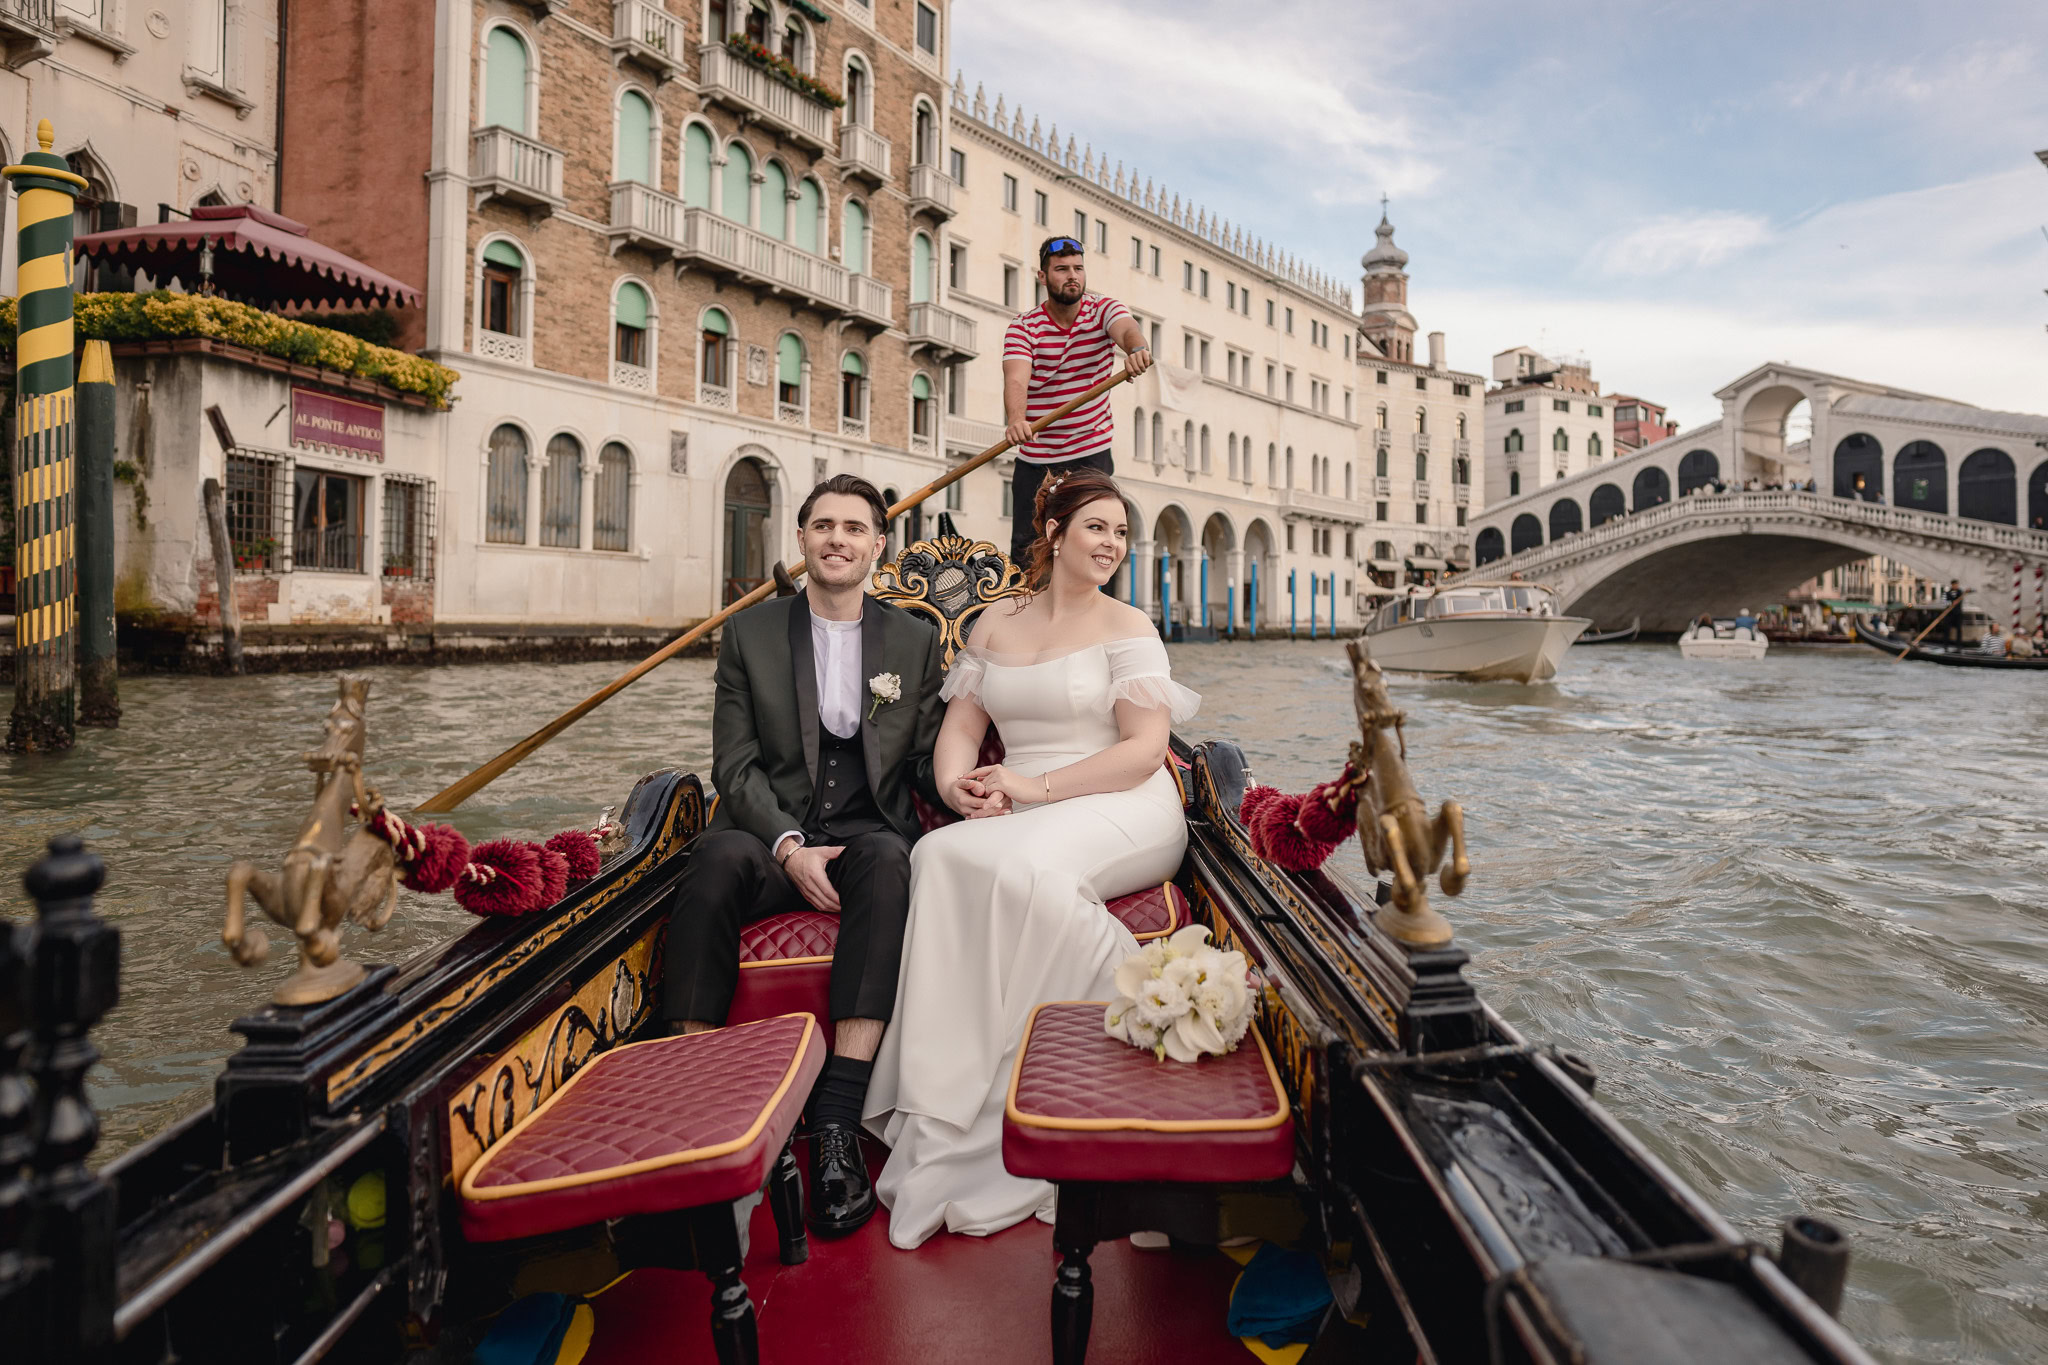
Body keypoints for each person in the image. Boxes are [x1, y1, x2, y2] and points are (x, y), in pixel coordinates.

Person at [865, 469, 1199, 1249]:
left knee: (1022, 873)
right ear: (1054, 533)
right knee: (942, 856)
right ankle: (946, 1101)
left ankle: (1044, 1096)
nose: (1113, 543)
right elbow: (960, 726)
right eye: (1097, 527)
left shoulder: (1128, 625)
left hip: (1122, 801)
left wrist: (1032, 785)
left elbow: (1146, 750)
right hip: (1022, 800)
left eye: (1121, 531)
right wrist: (958, 787)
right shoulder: (996, 624)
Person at [661, 474, 973, 1237]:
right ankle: (696, 1108)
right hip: (770, 837)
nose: (838, 539)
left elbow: (935, 755)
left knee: (891, 862)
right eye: (823, 525)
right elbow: (732, 765)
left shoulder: (914, 639)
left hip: (869, 832)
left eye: (855, 528)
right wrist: (790, 845)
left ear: (877, 546)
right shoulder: (750, 633)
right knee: (712, 862)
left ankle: (837, 1120)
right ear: (801, 540)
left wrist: (980, 784)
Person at [1001, 235, 1154, 567]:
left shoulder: (1102, 310)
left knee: (1098, 538)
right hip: (1036, 457)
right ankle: (1022, 616)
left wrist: (1136, 350)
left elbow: (1128, 331)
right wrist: (1016, 418)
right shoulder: (1024, 327)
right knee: (1027, 548)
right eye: (1061, 269)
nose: (1072, 276)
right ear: (1042, 277)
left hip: (1091, 452)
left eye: (1078, 268)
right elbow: (1016, 379)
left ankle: (1097, 617)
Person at [1940, 580, 1965, 648]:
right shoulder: (1946, 593)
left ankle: (1959, 646)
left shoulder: (1960, 592)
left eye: (1957, 584)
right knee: (1946, 629)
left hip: (1958, 614)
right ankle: (1945, 645)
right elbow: (1944, 603)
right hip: (1949, 614)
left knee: (1959, 630)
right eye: (1955, 584)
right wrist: (1951, 603)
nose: (1956, 586)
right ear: (1952, 585)